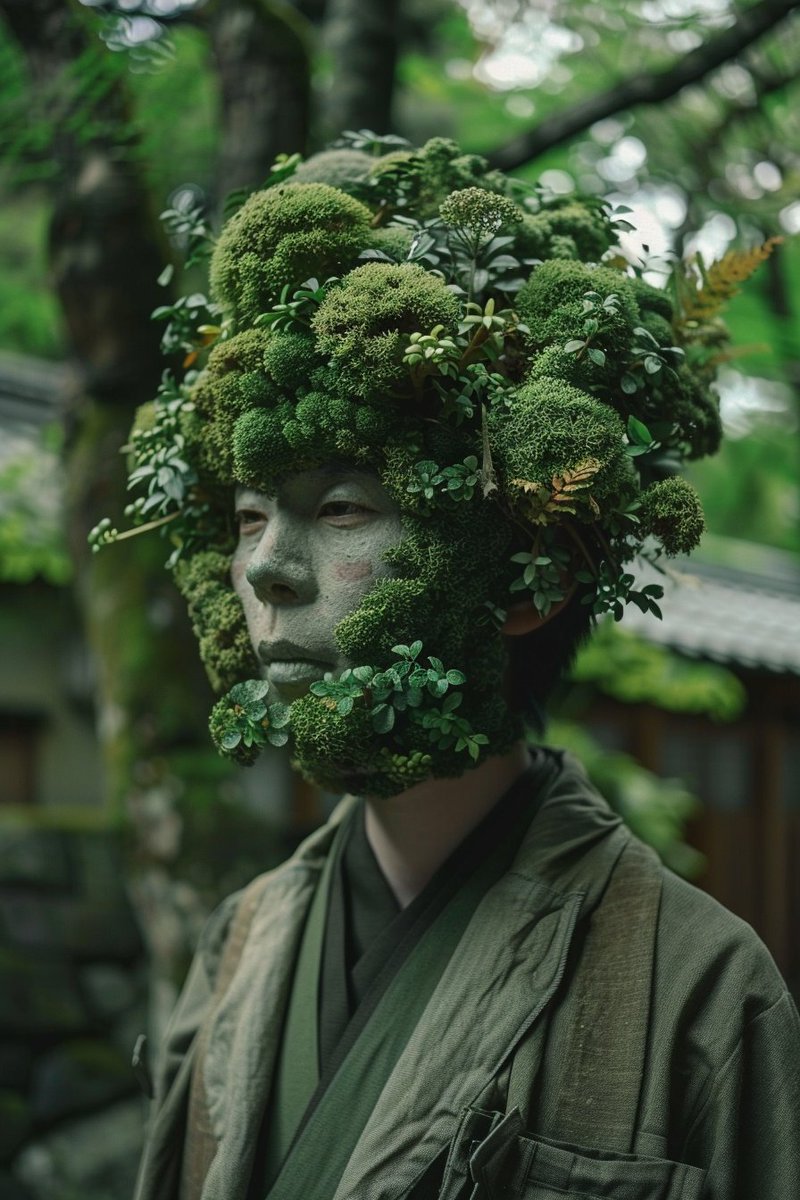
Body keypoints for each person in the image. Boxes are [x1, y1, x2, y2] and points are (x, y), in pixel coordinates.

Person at [115, 136, 800, 1199]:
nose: (263, 567)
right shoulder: (239, 941)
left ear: (530, 580)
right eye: (248, 517)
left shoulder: (701, 987)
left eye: (338, 508)